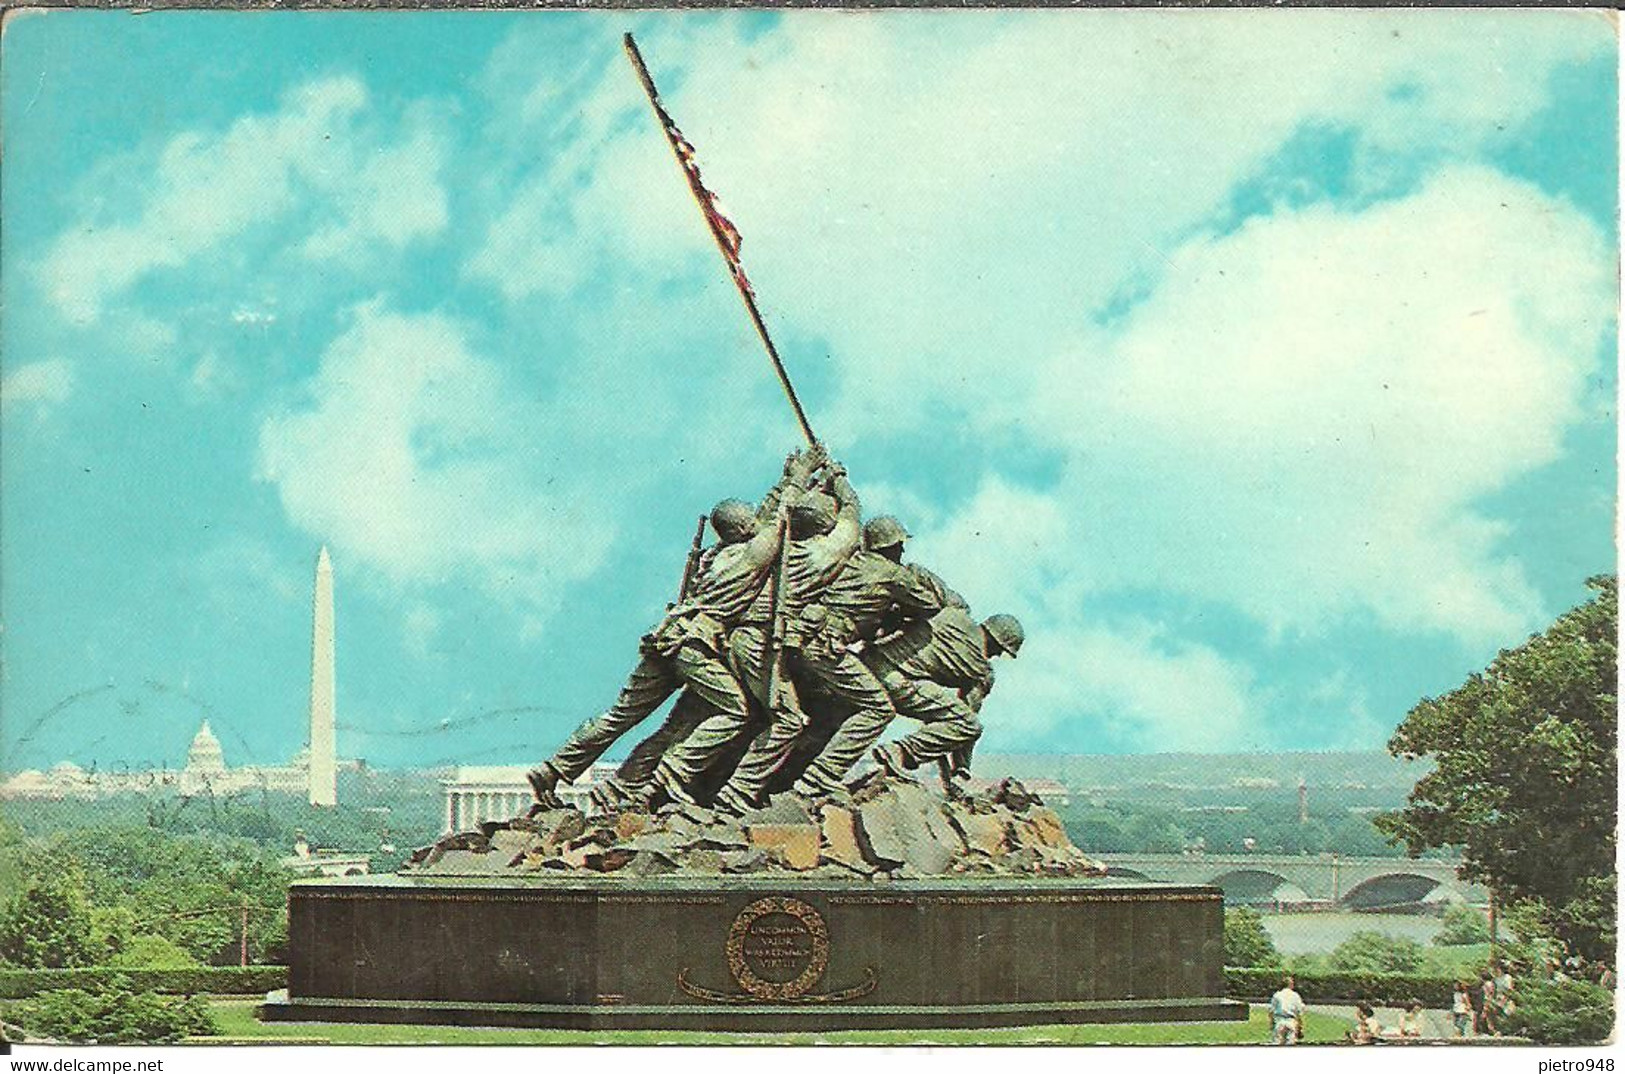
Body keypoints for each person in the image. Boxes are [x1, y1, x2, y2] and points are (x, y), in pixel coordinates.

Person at [526, 450, 823, 807]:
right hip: (693, 646)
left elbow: (762, 517)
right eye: (750, 523)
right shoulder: (749, 558)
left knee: (622, 715)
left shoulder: (717, 555)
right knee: (734, 711)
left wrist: (786, 477)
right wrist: (801, 476)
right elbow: (776, 524)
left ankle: (553, 769)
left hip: (666, 638)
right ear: (744, 530)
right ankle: (671, 773)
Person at [655, 464, 864, 812]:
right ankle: (732, 792)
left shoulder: (763, 548)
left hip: (735, 642)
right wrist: (840, 481)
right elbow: (853, 522)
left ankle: (694, 783)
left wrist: (798, 480)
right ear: (825, 526)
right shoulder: (815, 556)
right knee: (786, 720)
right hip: (758, 643)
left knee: (751, 714)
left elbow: (766, 517)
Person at [1268, 975, 1305, 1045]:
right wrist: (1300, 1027)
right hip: (1291, 1021)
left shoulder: (1277, 995)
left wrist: (1271, 1024)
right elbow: (1299, 1013)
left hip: (1279, 1020)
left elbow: (1271, 1011)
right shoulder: (1295, 995)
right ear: (1290, 985)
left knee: (1277, 1044)